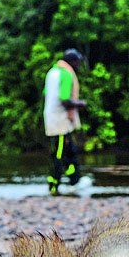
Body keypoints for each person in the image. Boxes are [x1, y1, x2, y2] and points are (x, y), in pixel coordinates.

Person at [43, 48, 89, 195]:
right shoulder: (66, 74)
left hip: (51, 117)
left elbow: (46, 94)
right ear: (72, 61)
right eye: (77, 62)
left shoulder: (52, 72)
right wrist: (79, 104)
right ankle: (54, 186)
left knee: (70, 151)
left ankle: (74, 181)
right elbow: (64, 100)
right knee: (59, 153)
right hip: (60, 120)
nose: (78, 65)